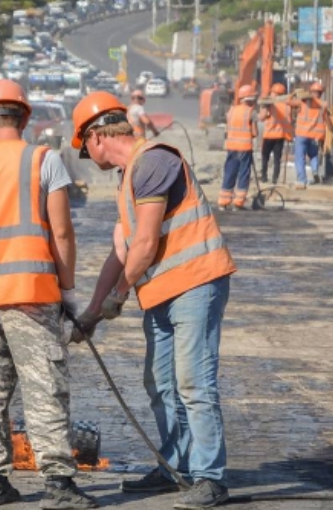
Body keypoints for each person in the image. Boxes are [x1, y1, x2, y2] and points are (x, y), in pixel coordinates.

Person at [68, 91, 237, 510]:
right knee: (160, 382)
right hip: (162, 293)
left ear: (96, 137)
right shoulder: (131, 177)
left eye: (86, 150)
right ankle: (175, 467)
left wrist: (119, 296)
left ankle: (210, 477)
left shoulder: (155, 160)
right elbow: (121, 252)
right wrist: (91, 312)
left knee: (193, 382)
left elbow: (144, 244)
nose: (92, 160)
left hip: (196, 284)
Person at [0, 79, 97, 510]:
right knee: (44, 385)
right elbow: (63, 233)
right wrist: (67, 290)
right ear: (24, 117)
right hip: (32, 294)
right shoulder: (42, 160)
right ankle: (57, 485)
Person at [218, 85, 258, 210]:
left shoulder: (231, 111)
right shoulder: (251, 112)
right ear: (249, 98)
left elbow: (227, 129)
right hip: (245, 148)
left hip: (231, 147)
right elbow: (255, 133)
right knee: (243, 174)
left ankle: (223, 202)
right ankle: (238, 203)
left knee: (230, 172)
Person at [289, 82, 332, 187]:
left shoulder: (302, 102)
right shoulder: (323, 105)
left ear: (311, 92)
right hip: (315, 136)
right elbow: (327, 120)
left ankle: (302, 180)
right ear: (321, 93)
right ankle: (315, 170)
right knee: (313, 155)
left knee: (300, 157)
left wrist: (293, 93)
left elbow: (288, 102)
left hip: (302, 134)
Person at [258, 83, 293, 184]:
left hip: (269, 135)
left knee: (265, 157)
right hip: (280, 135)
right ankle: (275, 179)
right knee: (277, 159)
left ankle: (264, 176)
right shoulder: (286, 106)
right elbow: (289, 121)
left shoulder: (269, 104)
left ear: (274, 92)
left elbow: (262, 117)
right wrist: (289, 135)